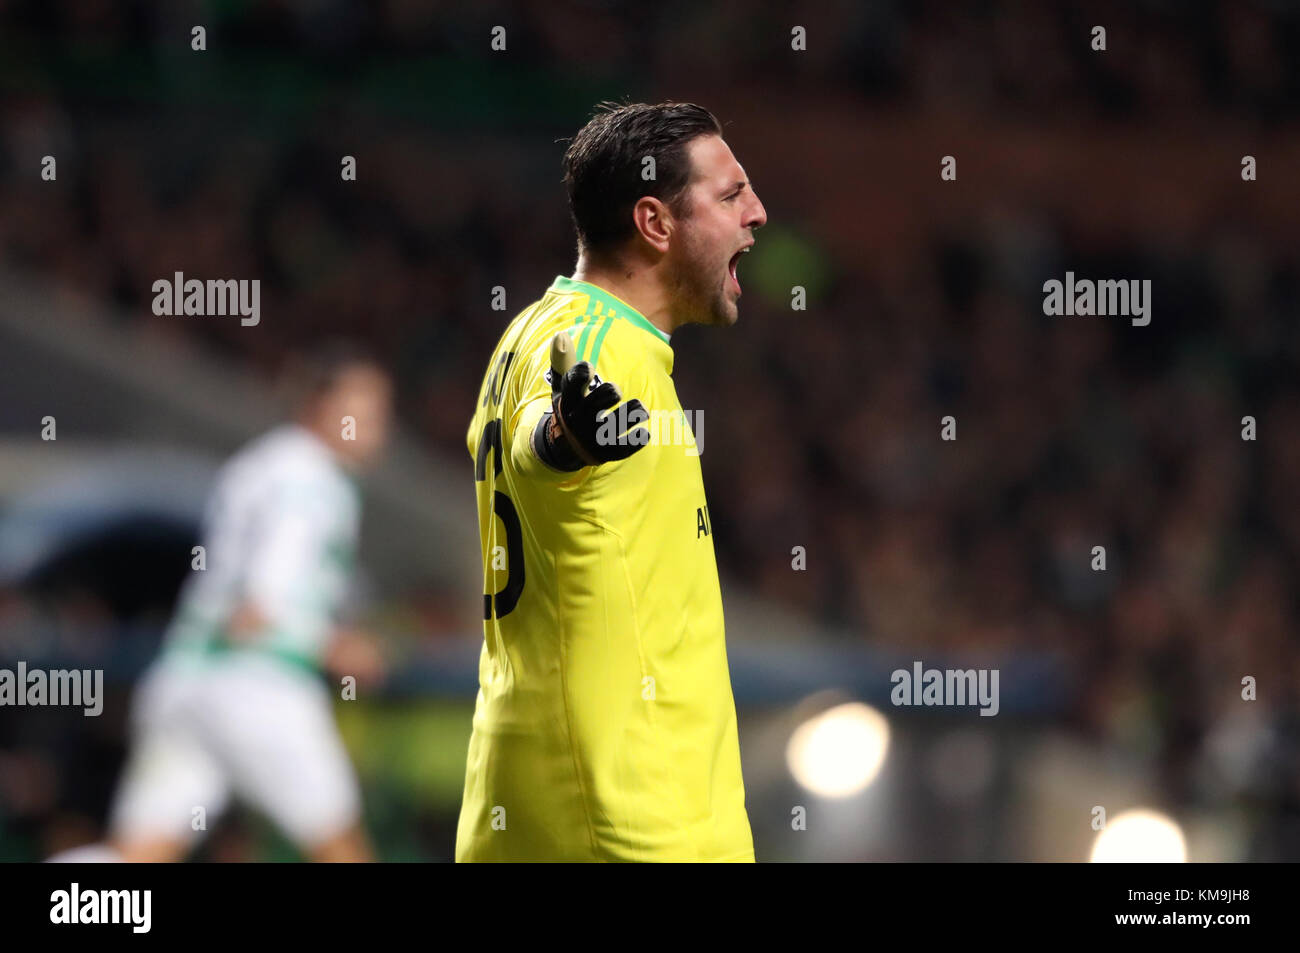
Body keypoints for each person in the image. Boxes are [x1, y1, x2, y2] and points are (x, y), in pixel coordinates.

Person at [459, 101, 767, 861]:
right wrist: (568, 439)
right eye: (730, 196)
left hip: (535, 791)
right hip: (629, 808)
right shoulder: (599, 350)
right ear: (656, 224)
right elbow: (549, 446)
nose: (757, 214)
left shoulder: (531, 330)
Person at [54, 345, 392, 863]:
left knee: (138, 856)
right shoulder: (315, 480)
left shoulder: (259, 463)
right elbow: (260, 609)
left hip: (185, 679)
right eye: (363, 410)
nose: (375, 427)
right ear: (318, 405)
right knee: (342, 849)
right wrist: (340, 646)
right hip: (257, 685)